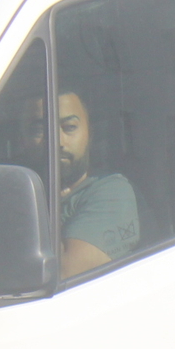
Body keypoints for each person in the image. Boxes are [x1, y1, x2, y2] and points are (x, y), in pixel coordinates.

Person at [54, 85, 137, 279]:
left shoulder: (112, 191)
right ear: (21, 139)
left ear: (89, 133)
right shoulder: (15, 197)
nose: (57, 140)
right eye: (39, 130)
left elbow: (67, 274)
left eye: (70, 127)